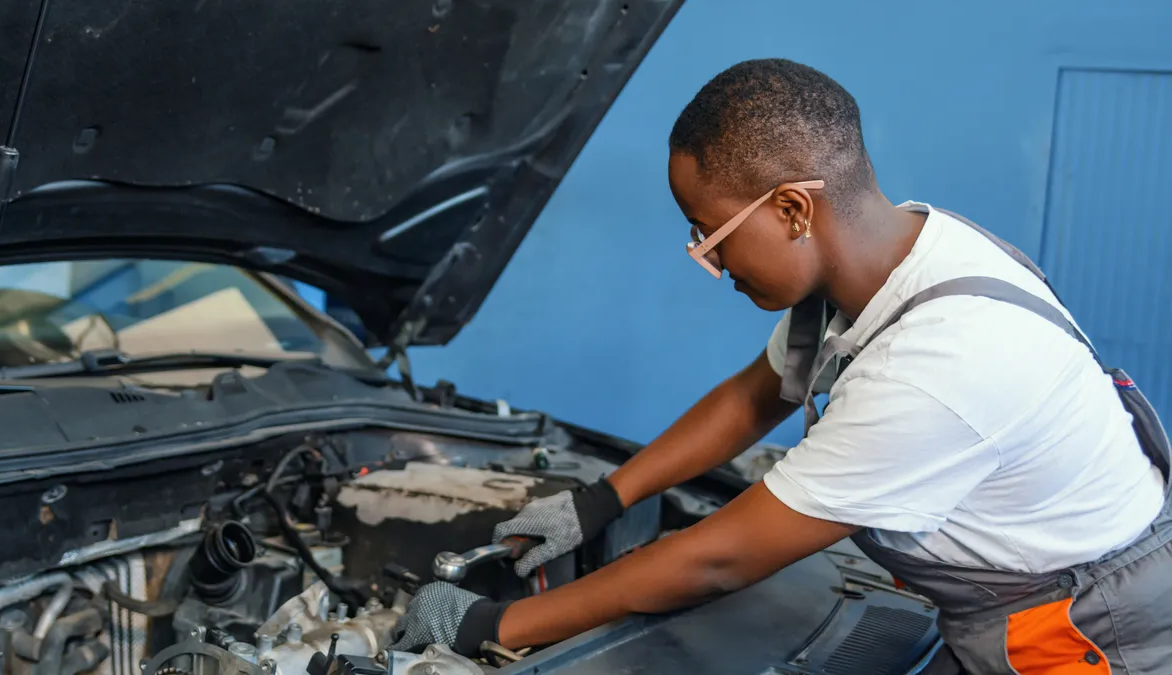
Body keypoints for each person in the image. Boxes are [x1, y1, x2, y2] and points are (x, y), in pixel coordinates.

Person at [387, 58, 1172, 673]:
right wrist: (597, 500)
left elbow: (721, 556)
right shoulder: (889, 256)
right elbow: (751, 397)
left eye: (707, 233)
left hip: (1085, 636)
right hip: (1007, 598)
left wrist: (490, 624)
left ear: (793, 209)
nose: (710, 259)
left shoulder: (940, 362)